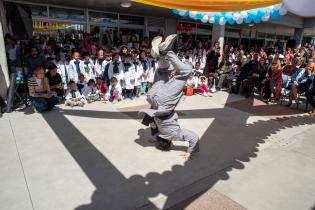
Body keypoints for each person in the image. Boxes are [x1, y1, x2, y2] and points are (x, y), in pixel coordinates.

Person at [139, 34, 199, 161]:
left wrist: (189, 152)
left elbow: (194, 137)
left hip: (165, 101)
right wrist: (154, 138)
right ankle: (158, 55)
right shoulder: (159, 132)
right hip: (153, 97)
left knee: (186, 71)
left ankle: (166, 51)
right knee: (164, 71)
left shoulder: (175, 135)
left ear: (170, 142)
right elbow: (153, 126)